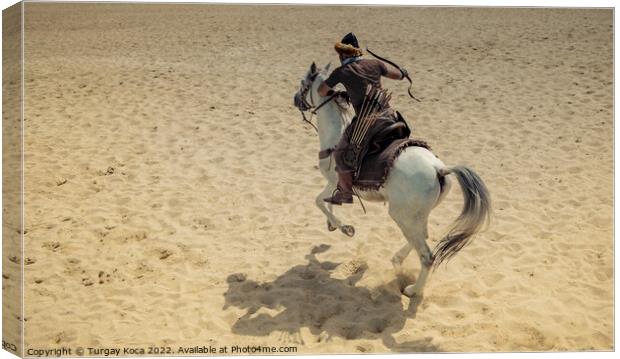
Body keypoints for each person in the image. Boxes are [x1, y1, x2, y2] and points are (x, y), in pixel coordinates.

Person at [318, 32, 410, 205]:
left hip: (368, 122)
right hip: (389, 116)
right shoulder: (375, 63)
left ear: (342, 54)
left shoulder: (342, 71)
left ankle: (345, 192)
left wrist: (335, 92)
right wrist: (403, 72)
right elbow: (397, 75)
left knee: (340, 153)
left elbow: (321, 91)